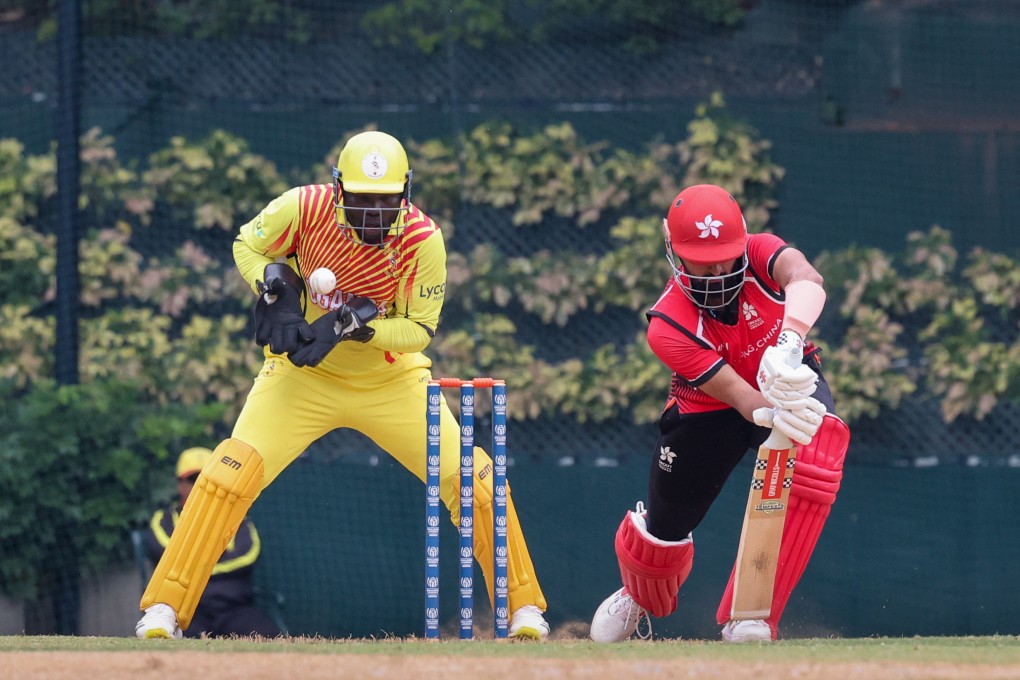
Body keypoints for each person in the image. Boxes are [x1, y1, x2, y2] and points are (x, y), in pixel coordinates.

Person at [135, 130, 549, 640]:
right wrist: (273, 281)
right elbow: (247, 243)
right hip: (301, 376)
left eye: (385, 202)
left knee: (475, 478)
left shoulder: (422, 239)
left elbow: (420, 328)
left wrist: (358, 327)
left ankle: (523, 610)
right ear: (337, 191)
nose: (374, 214)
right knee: (226, 475)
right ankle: (165, 610)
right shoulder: (302, 208)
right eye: (361, 201)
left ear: (405, 194)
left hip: (391, 379)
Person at [589, 184, 850, 643]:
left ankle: (752, 614)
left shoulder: (762, 252)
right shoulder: (667, 324)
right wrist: (774, 408)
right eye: (701, 260)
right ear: (674, 252)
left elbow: (807, 279)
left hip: (790, 374)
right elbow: (743, 400)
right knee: (665, 531)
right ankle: (639, 594)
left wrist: (789, 345)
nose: (718, 271)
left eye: (727, 256)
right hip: (712, 408)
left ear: (743, 241)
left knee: (818, 453)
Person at [142, 447, 281, 638]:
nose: (202, 486)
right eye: (194, 479)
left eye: (208, 480)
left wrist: (193, 566)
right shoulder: (164, 519)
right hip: (185, 611)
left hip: (233, 607)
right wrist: (214, 561)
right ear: (179, 484)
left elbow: (248, 554)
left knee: (270, 638)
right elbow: (162, 550)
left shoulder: (238, 520)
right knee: (171, 640)